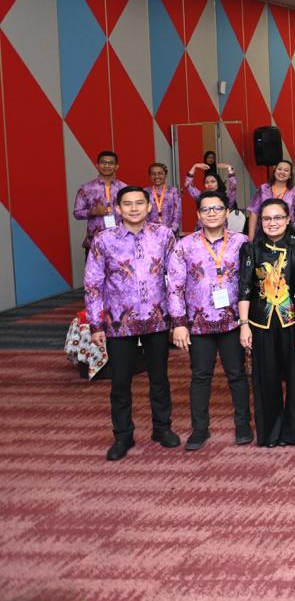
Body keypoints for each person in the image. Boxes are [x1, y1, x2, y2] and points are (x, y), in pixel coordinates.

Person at [84, 185, 180, 460]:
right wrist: (96, 324)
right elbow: (93, 284)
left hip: (157, 319)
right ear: (118, 208)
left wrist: (177, 319)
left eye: (140, 203)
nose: (134, 208)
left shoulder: (164, 235)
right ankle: (123, 435)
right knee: (120, 382)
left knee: (159, 378)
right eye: (127, 204)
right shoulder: (103, 240)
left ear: (149, 207)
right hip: (119, 322)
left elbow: (175, 278)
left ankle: (162, 428)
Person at [166, 190, 252, 451]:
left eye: (217, 208)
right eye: (206, 209)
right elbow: (175, 287)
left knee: (237, 374)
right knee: (200, 376)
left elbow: (250, 283)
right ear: (198, 214)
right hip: (198, 323)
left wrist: (248, 322)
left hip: (233, 322)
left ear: (227, 212)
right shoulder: (184, 245)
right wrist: (179, 323)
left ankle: (243, 425)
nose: (212, 213)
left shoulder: (242, 242)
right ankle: (200, 429)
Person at [236, 197, 295, 447]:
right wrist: (244, 324)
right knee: (265, 379)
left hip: (293, 322)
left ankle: (293, 431)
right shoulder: (251, 249)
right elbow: (244, 288)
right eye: (267, 218)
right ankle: (270, 433)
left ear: (288, 219)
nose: (272, 222)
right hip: (261, 323)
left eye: (278, 217)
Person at [74, 150, 126, 258]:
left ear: (117, 166)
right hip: (94, 241)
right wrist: (92, 212)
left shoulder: (124, 188)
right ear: (97, 165)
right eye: (103, 162)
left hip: (121, 241)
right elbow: (77, 213)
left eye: (111, 163)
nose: (107, 165)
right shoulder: (86, 188)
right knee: (93, 269)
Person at [246, 160, 295, 239]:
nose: (282, 172)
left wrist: (287, 218)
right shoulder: (263, 189)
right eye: (279, 169)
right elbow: (254, 213)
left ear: (290, 175)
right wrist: (251, 235)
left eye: (286, 170)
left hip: (286, 232)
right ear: (274, 172)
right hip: (263, 231)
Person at [145, 162, 181, 236]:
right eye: (153, 174)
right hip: (150, 233)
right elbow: (142, 213)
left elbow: (178, 212)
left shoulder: (173, 191)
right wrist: (147, 230)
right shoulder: (145, 192)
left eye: (160, 173)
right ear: (150, 176)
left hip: (170, 232)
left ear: (165, 174)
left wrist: (172, 230)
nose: (157, 176)